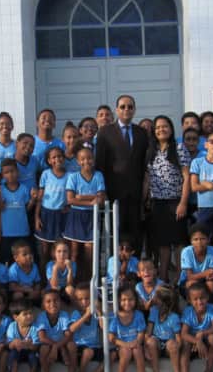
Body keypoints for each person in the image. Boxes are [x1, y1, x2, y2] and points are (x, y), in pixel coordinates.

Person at [95, 94, 150, 245]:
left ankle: (135, 266)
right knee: (114, 234)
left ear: (134, 110)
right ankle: (115, 267)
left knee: (135, 234)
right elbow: (100, 164)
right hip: (113, 193)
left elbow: (145, 163)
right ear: (117, 110)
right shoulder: (105, 132)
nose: (126, 109)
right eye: (123, 107)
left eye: (130, 107)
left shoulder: (141, 133)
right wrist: (103, 191)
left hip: (136, 193)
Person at [144, 115, 189, 281]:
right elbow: (148, 178)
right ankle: (163, 278)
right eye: (157, 128)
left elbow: (187, 177)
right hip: (158, 203)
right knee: (162, 244)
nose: (161, 130)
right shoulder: (151, 150)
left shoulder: (179, 148)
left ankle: (180, 279)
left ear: (171, 129)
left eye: (165, 126)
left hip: (175, 201)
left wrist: (183, 202)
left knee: (178, 243)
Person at [64, 142, 107, 279]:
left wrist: (81, 197)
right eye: (82, 159)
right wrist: (91, 199)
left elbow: (101, 198)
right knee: (74, 253)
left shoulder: (98, 175)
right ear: (78, 161)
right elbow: (70, 200)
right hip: (76, 216)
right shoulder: (73, 177)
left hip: (92, 217)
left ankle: (90, 281)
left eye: (89, 158)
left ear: (93, 160)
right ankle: (73, 280)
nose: (86, 161)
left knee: (90, 253)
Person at [108, 286, 150, 372]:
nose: (127, 302)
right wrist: (125, 344)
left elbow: (141, 333)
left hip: (136, 344)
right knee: (126, 352)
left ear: (135, 300)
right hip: (122, 347)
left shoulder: (138, 315)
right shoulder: (115, 316)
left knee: (137, 350)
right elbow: (111, 337)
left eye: (130, 299)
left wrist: (136, 342)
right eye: (123, 300)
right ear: (118, 301)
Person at [35, 288, 76, 372]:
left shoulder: (64, 315)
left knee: (72, 345)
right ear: (43, 304)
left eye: (56, 300)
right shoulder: (41, 317)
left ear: (61, 302)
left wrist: (58, 347)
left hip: (63, 347)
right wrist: (58, 347)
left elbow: (68, 336)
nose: (53, 304)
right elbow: (42, 338)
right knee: (44, 348)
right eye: (48, 301)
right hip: (50, 350)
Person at [144, 284, 182, 372]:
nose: (153, 299)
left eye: (156, 297)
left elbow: (178, 339)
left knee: (172, 344)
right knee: (151, 341)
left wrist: (175, 349)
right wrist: (145, 348)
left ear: (163, 302)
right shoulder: (154, 311)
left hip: (168, 347)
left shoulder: (174, 317)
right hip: (157, 344)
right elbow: (149, 332)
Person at [36, 145, 70, 263]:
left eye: (60, 156)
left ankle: (59, 276)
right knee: (45, 249)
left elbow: (72, 195)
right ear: (49, 161)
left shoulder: (70, 176)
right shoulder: (46, 174)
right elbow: (40, 197)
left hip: (62, 215)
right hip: (46, 214)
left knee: (60, 248)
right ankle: (43, 277)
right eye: (54, 157)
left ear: (64, 158)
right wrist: (37, 217)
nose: (57, 159)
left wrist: (69, 205)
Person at [0, 158, 35, 263]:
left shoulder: (23, 188)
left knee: (22, 259)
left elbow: (27, 209)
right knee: (7, 259)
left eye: (12, 171)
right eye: (6, 172)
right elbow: (0, 209)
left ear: (17, 172)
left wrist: (32, 199)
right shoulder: (0, 189)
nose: (10, 174)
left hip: (22, 231)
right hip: (7, 232)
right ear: (2, 175)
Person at [69, 282, 104, 372]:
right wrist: (86, 315)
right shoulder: (76, 313)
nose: (84, 302)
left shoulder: (96, 313)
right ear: (76, 301)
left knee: (112, 355)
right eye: (80, 299)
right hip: (81, 346)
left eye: (87, 298)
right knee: (88, 352)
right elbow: (72, 329)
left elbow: (104, 328)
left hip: (96, 346)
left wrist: (99, 314)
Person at [4, 301, 40, 372]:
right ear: (16, 317)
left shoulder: (35, 327)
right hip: (17, 351)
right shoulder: (12, 326)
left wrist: (29, 345)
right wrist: (14, 342)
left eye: (30, 313)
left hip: (30, 351)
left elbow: (36, 346)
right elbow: (9, 344)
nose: (29, 316)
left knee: (33, 356)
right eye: (25, 314)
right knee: (12, 354)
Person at [179, 223, 213, 296]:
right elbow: (190, 276)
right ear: (191, 241)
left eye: (203, 239)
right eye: (195, 239)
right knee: (192, 285)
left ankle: (208, 304)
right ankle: (191, 305)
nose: (199, 242)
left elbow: (211, 272)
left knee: (211, 284)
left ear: (208, 240)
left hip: (205, 279)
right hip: (187, 281)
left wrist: (210, 274)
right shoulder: (186, 252)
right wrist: (206, 273)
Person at [7, 239, 43, 304]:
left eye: (30, 253)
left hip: (31, 291)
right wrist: (26, 289)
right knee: (18, 295)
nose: (29, 256)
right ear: (16, 258)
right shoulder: (14, 269)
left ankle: (31, 303)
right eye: (25, 254)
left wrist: (37, 290)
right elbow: (12, 287)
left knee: (42, 292)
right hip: (21, 291)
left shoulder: (34, 266)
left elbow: (37, 282)